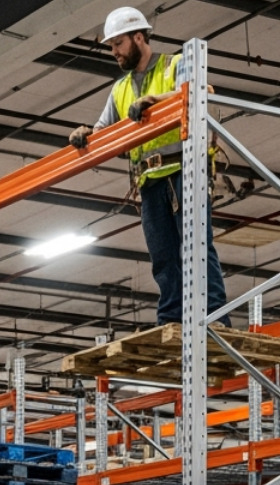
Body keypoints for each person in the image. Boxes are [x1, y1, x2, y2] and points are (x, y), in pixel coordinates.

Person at [68, 7, 229, 327]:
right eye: (111, 46)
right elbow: (104, 132)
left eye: (118, 44)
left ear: (139, 38)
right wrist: (86, 134)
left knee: (196, 245)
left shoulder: (175, 64)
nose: (114, 52)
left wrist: (155, 101)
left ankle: (214, 315)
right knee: (163, 255)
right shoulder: (120, 89)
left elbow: (200, 93)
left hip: (184, 169)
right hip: (149, 179)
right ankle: (171, 320)